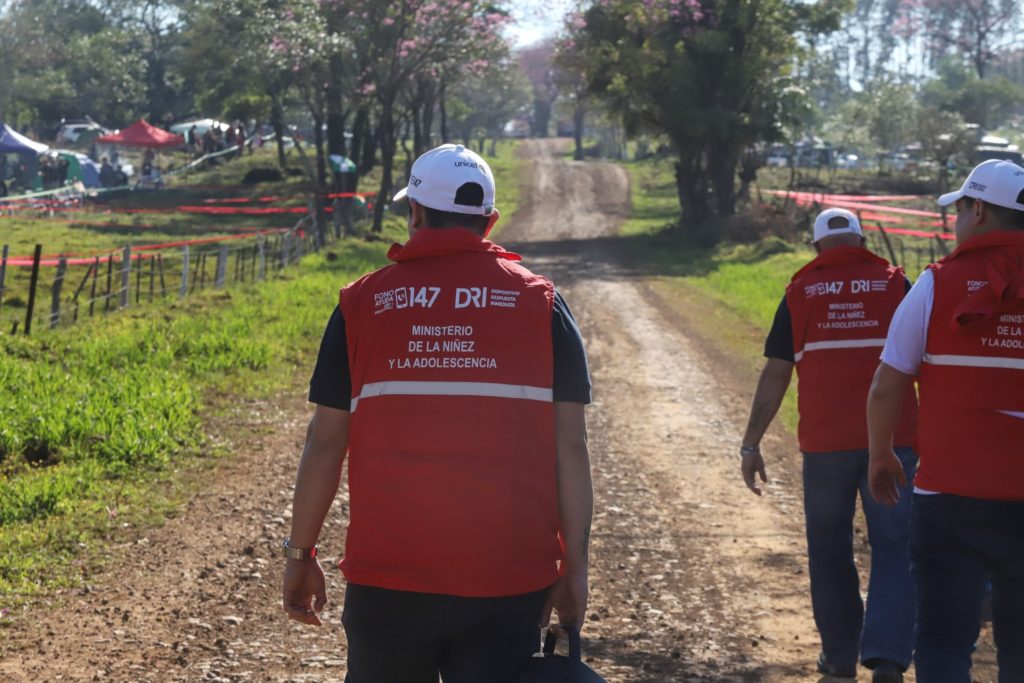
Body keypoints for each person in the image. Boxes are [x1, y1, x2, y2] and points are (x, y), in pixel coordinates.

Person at [281, 143, 594, 682]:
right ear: (489, 222)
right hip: (509, 578)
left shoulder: (360, 304)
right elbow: (571, 448)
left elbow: (326, 442)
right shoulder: (541, 304)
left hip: (387, 582)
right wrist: (575, 568)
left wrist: (300, 552)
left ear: (416, 214)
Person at [740, 208, 918, 683]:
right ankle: (887, 659)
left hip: (824, 446)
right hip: (896, 441)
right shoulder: (896, 284)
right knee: (896, 546)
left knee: (828, 545)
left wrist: (751, 443)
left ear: (817, 248)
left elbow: (776, 373)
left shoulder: (799, 292)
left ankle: (839, 657)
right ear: (860, 240)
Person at [867, 159, 1024, 681]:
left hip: (948, 499)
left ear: (978, 210)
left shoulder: (935, 285)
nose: (955, 221)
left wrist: (881, 454)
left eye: (959, 209)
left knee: (941, 641)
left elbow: (887, 383)